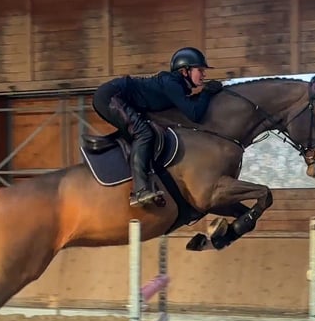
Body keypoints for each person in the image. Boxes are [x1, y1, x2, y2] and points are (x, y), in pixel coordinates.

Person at [92, 47, 224, 207]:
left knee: (146, 132)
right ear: (184, 71)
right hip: (110, 97)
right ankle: (140, 191)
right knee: (144, 134)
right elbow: (195, 114)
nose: (204, 74)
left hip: (114, 97)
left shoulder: (177, 85)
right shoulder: (172, 83)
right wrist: (206, 93)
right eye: (200, 70)